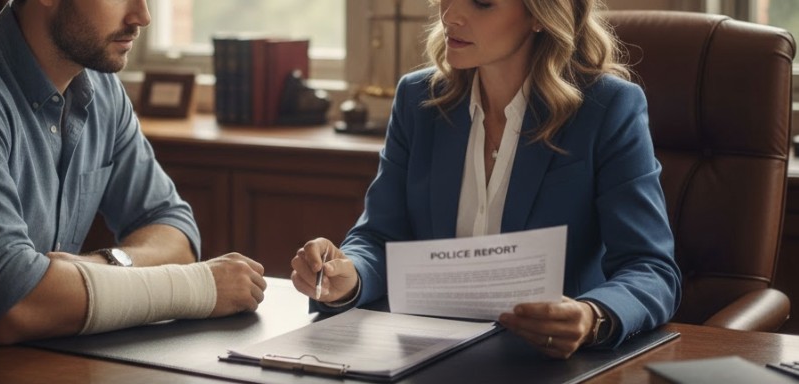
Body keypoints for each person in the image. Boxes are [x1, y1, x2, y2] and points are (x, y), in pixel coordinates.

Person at [291, 0, 681, 359]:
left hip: (546, 362)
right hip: (427, 355)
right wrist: (350, 275)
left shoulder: (607, 108)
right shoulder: (417, 100)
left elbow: (651, 268)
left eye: (481, 2)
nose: (450, 15)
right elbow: (379, 236)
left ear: (538, 14)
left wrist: (591, 316)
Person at [0, 0, 266, 344]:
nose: (142, 16)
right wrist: (199, 288)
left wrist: (94, 270)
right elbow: (13, 305)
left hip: (44, 359)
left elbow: (174, 231)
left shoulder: (101, 87)